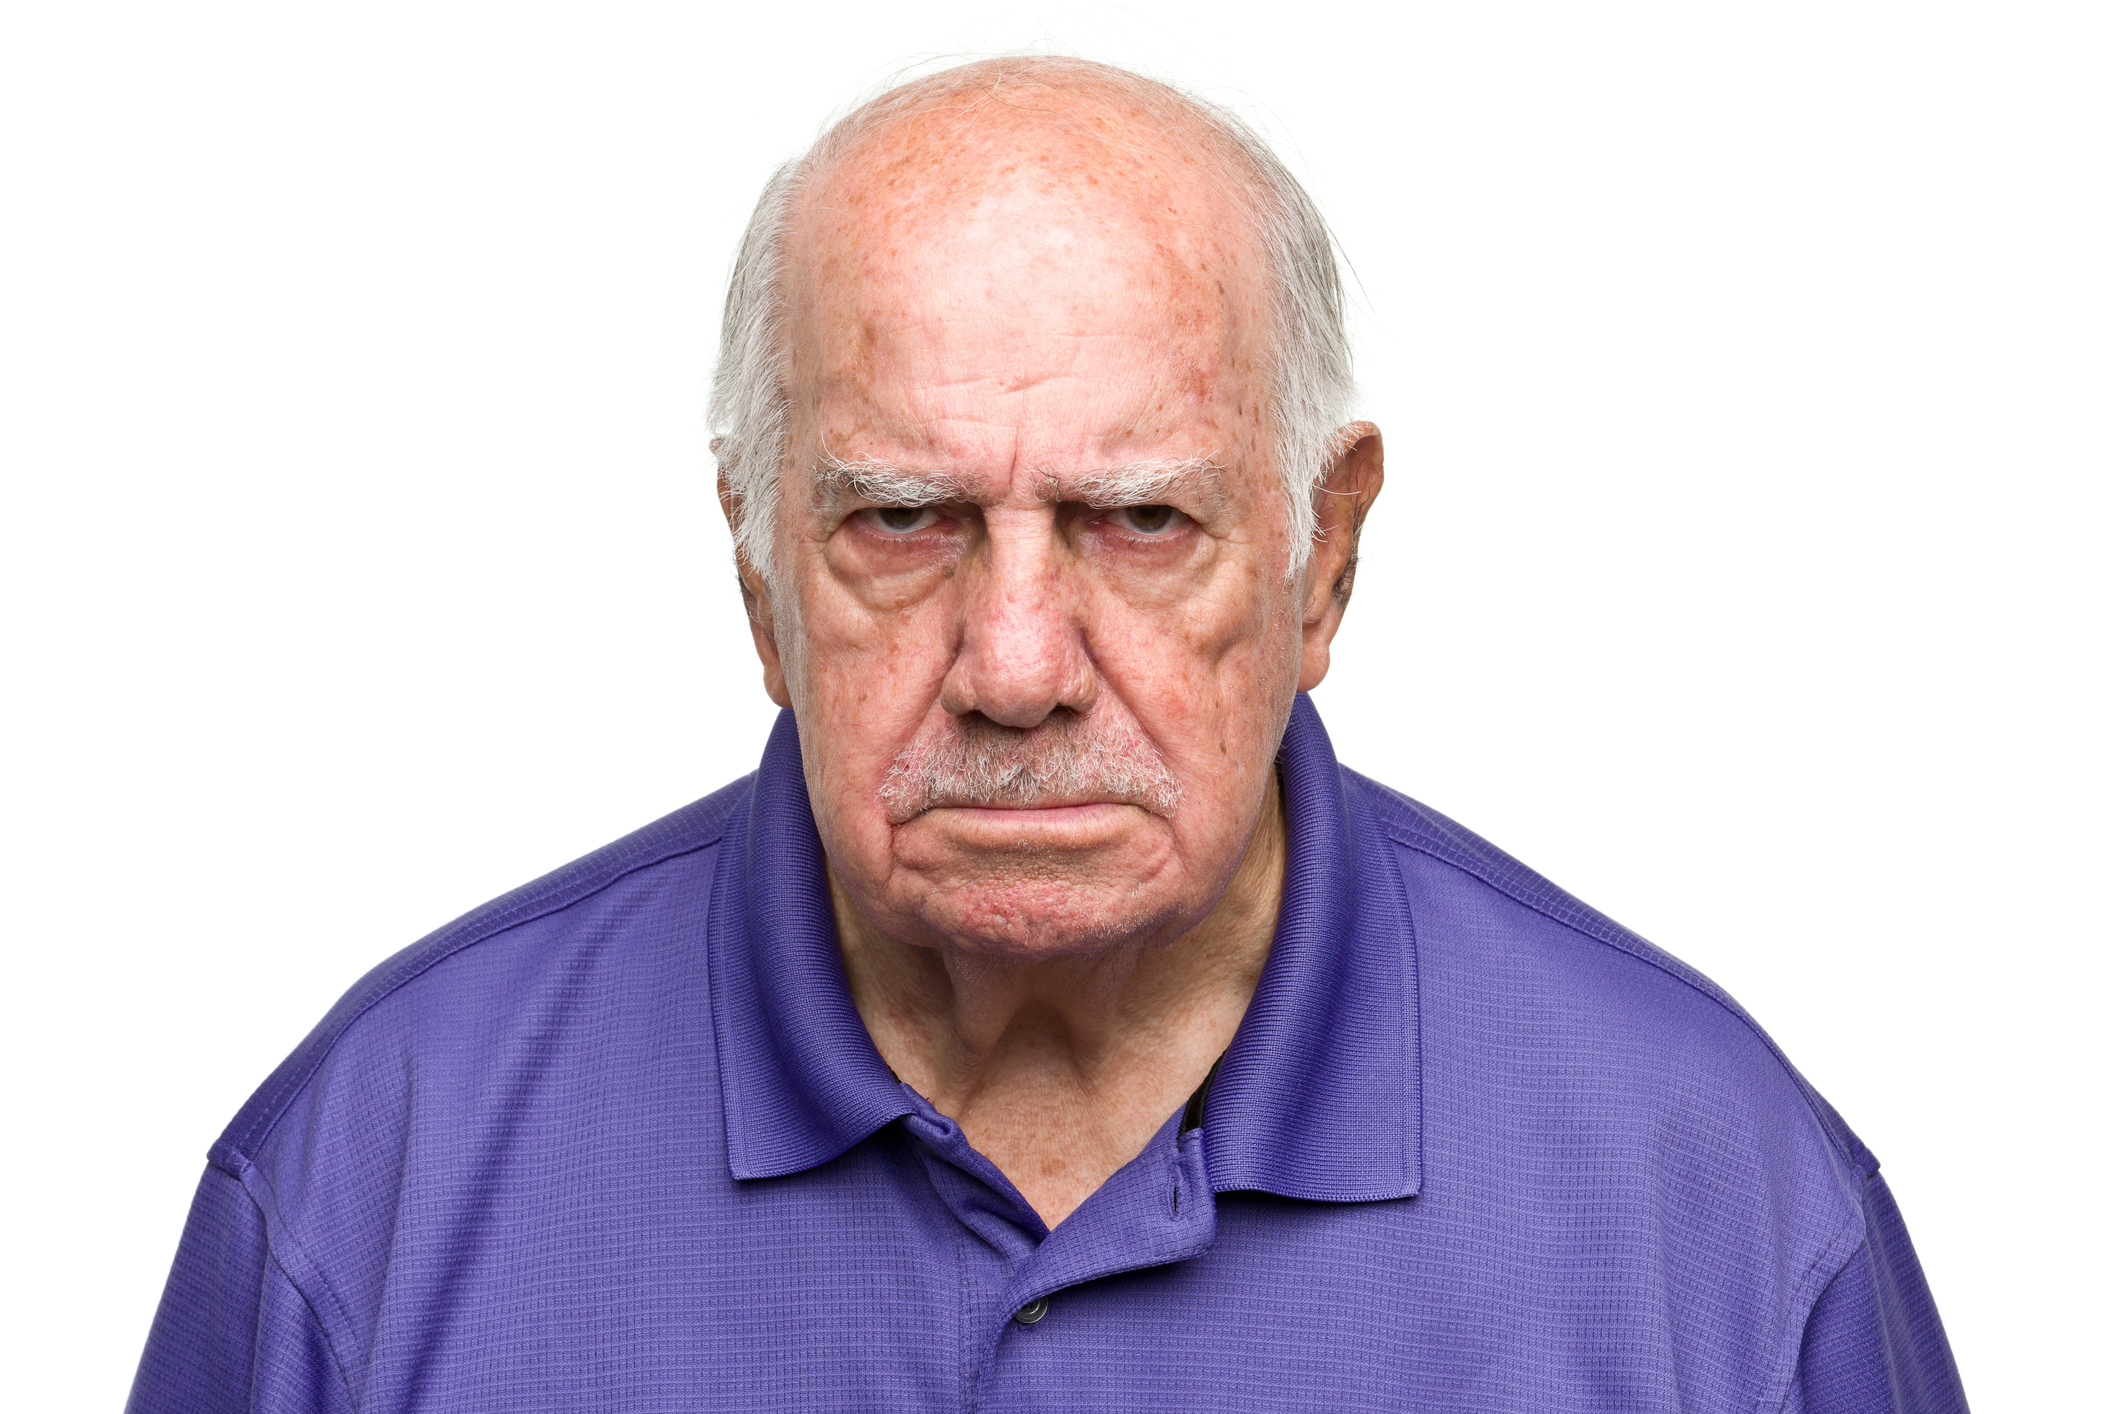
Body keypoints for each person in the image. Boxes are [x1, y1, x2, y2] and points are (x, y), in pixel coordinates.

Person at [128, 57, 1967, 1412]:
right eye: (901, 520)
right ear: (759, 572)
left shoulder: (1712, 1199)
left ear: (1323, 557)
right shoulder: (371, 1178)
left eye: (1139, 524)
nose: (1014, 665)